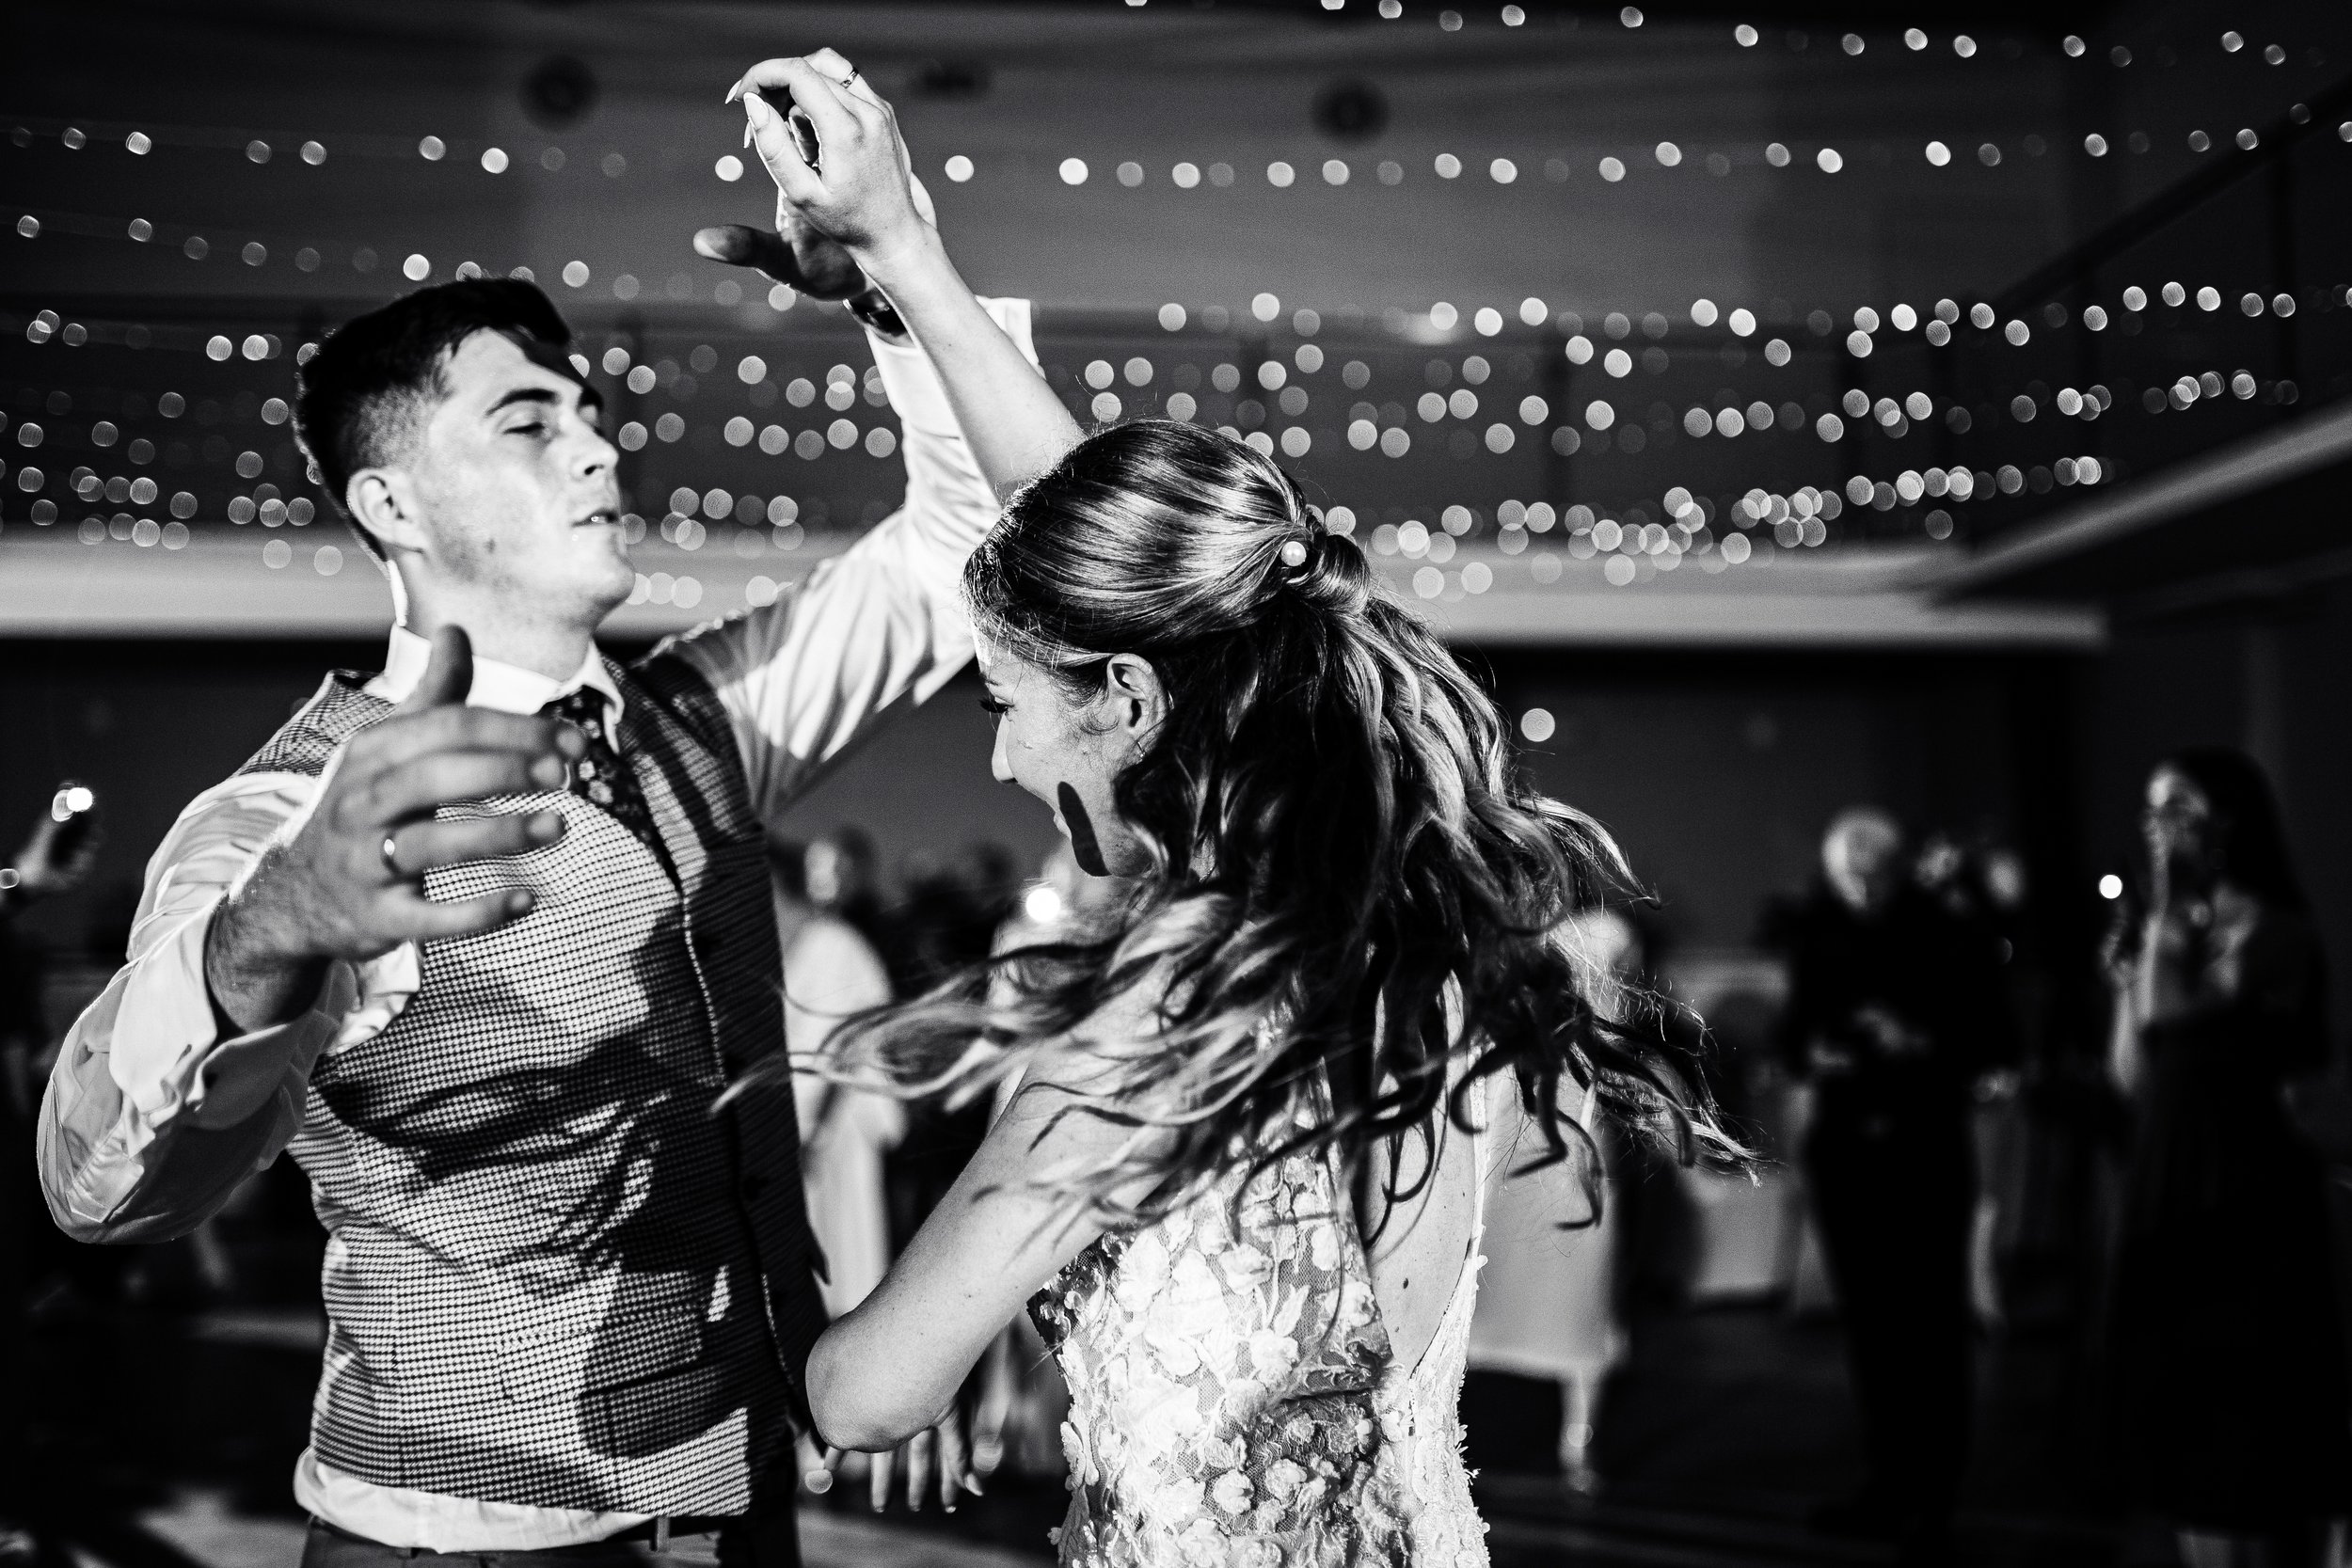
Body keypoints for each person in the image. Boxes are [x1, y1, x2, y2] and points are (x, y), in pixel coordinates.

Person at [723, 50, 1725, 1565]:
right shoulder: (1404, 912)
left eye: (1005, 705)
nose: (1000, 760)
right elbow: (1140, 579)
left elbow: (865, 1396)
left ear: (1127, 702)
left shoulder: (1154, 1023)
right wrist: (903, 262)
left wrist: (770, 1240)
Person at [37, 217, 1038, 1559]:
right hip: (467, 1539)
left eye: (592, 412)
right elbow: (95, 1185)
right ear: (390, 505)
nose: (598, 445)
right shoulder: (291, 811)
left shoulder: (708, 715)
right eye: (526, 422)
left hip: (739, 1509)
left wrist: (898, 268)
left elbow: (970, 545)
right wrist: (265, 930)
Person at [2101, 749, 2349, 1568]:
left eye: (2176, 805)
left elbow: (2184, 1022)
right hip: (2169, 1183)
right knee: (2186, 1421)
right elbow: (2135, 1071)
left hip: (2247, 1196)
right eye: (2150, 805)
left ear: (2228, 818)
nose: (2155, 824)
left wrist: (2165, 920)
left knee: (2247, 1424)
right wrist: (2128, 974)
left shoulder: (2275, 928)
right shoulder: (2171, 930)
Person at [1770, 807, 2013, 1555]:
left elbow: (1994, 1043)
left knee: (1933, 1325)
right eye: (1847, 874)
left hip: (1925, 1145)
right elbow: (1792, 1035)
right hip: (1846, 1148)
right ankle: (1885, 1480)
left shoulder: (1949, 929)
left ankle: (1935, 1490)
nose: (1859, 886)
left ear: (1898, 866)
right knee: (1871, 1325)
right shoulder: (1818, 930)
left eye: (1871, 872)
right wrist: (1818, 1053)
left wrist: (1916, 1040)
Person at [1466, 907, 1635, 1495]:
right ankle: (1440, 1435)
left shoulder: (1602, 943)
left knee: (1579, 1294)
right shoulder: (1486, 947)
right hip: (1503, 1142)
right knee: (1477, 1294)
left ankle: (1579, 1440)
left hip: (1571, 1147)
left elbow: (1616, 1057)